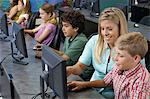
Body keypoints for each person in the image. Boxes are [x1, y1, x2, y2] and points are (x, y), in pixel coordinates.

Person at [66, 7, 128, 99]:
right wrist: (69, 70)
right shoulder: (94, 41)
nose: (105, 33)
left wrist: (86, 84)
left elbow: (118, 82)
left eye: (109, 29)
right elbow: (80, 66)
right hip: (92, 91)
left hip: (115, 95)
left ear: (120, 28)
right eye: (102, 29)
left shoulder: (131, 48)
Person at [68, 32, 150, 99]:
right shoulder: (121, 66)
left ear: (136, 58)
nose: (115, 58)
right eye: (116, 53)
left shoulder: (141, 82)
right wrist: (84, 84)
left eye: (121, 55)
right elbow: (105, 82)